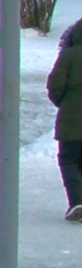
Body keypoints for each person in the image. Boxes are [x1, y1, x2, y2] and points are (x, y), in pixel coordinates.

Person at [47, 18, 82, 222]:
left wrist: (65, 102)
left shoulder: (68, 55)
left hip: (72, 116)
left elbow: (55, 85)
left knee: (68, 159)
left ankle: (77, 201)